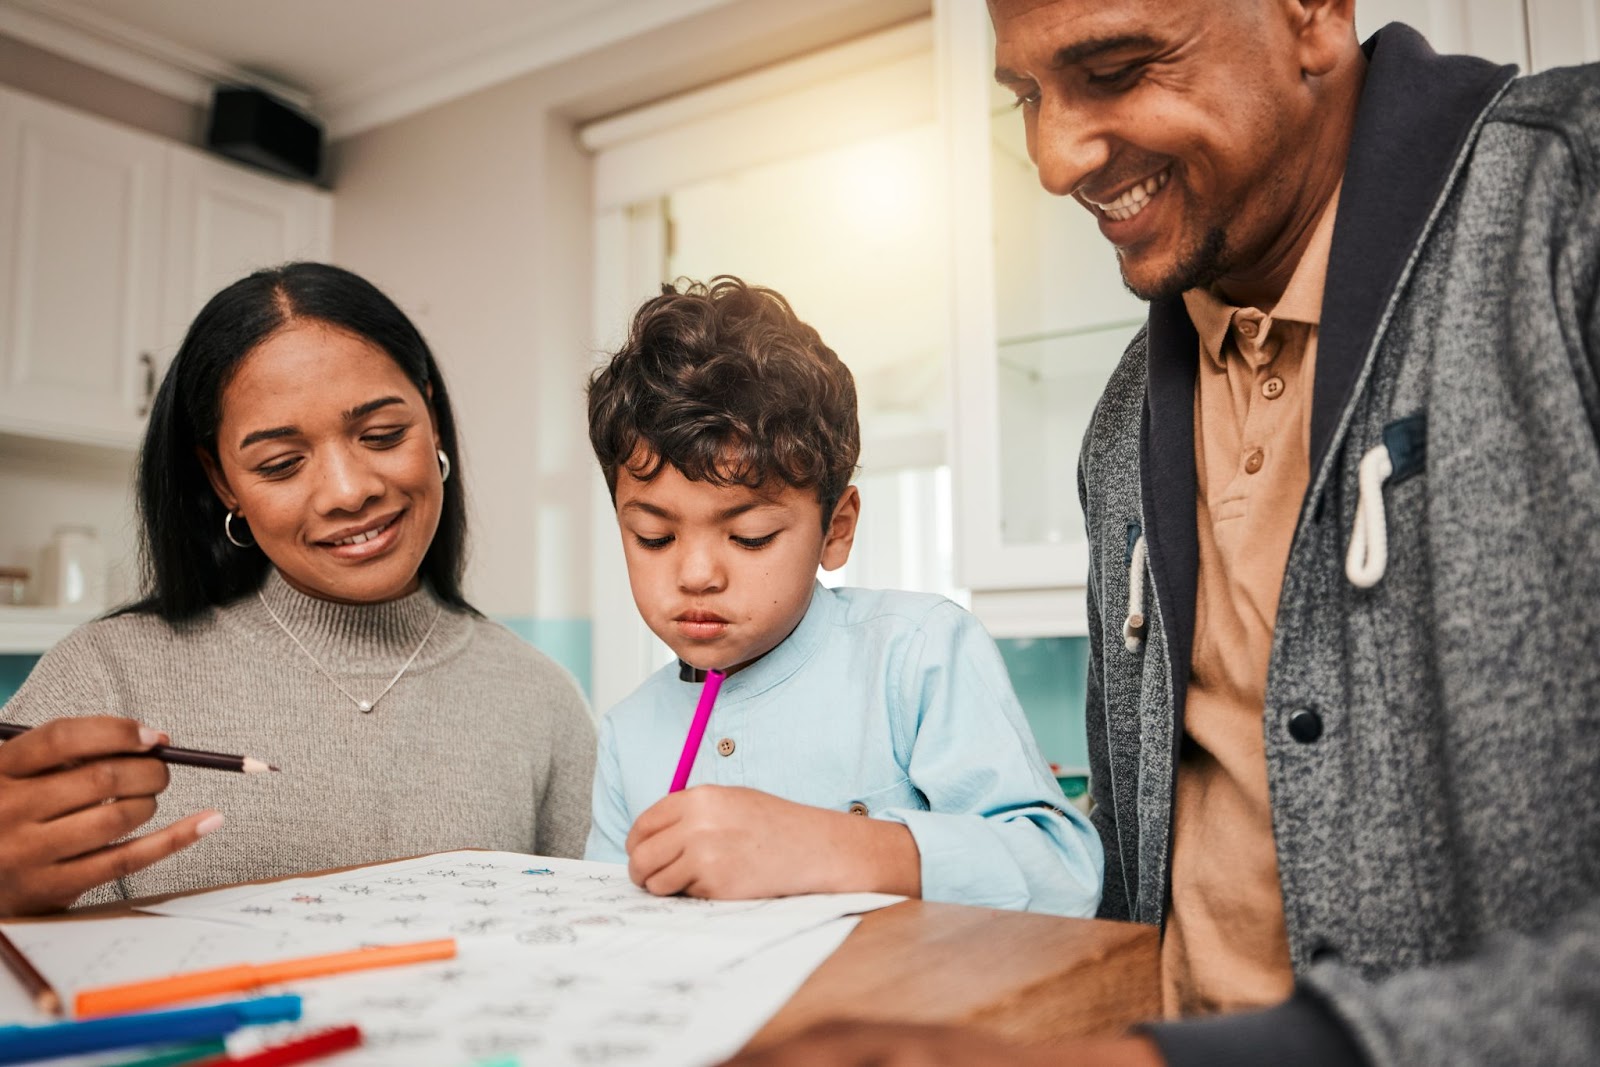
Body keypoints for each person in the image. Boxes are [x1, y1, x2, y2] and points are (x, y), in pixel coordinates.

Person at [720, 0, 1600, 1064]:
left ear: (1310, 15)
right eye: (1029, 97)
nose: (1052, 160)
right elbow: (1133, 881)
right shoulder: (1122, 425)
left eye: (1118, 66)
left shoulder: (1569, 206)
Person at [0, 262, 597, 916]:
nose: (349, 490)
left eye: (383, 434)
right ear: (223, 480)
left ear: (431, 418)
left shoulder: (543, 701)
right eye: (281, 464)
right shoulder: (106, 677)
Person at [583, 276, 1102, 915]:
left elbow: (1066, 876)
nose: (696, 575)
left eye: (750, 536)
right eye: (653, 537)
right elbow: (604, 918)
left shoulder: (917, 656)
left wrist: (830, 846)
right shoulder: (627, 735)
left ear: (836, 529)